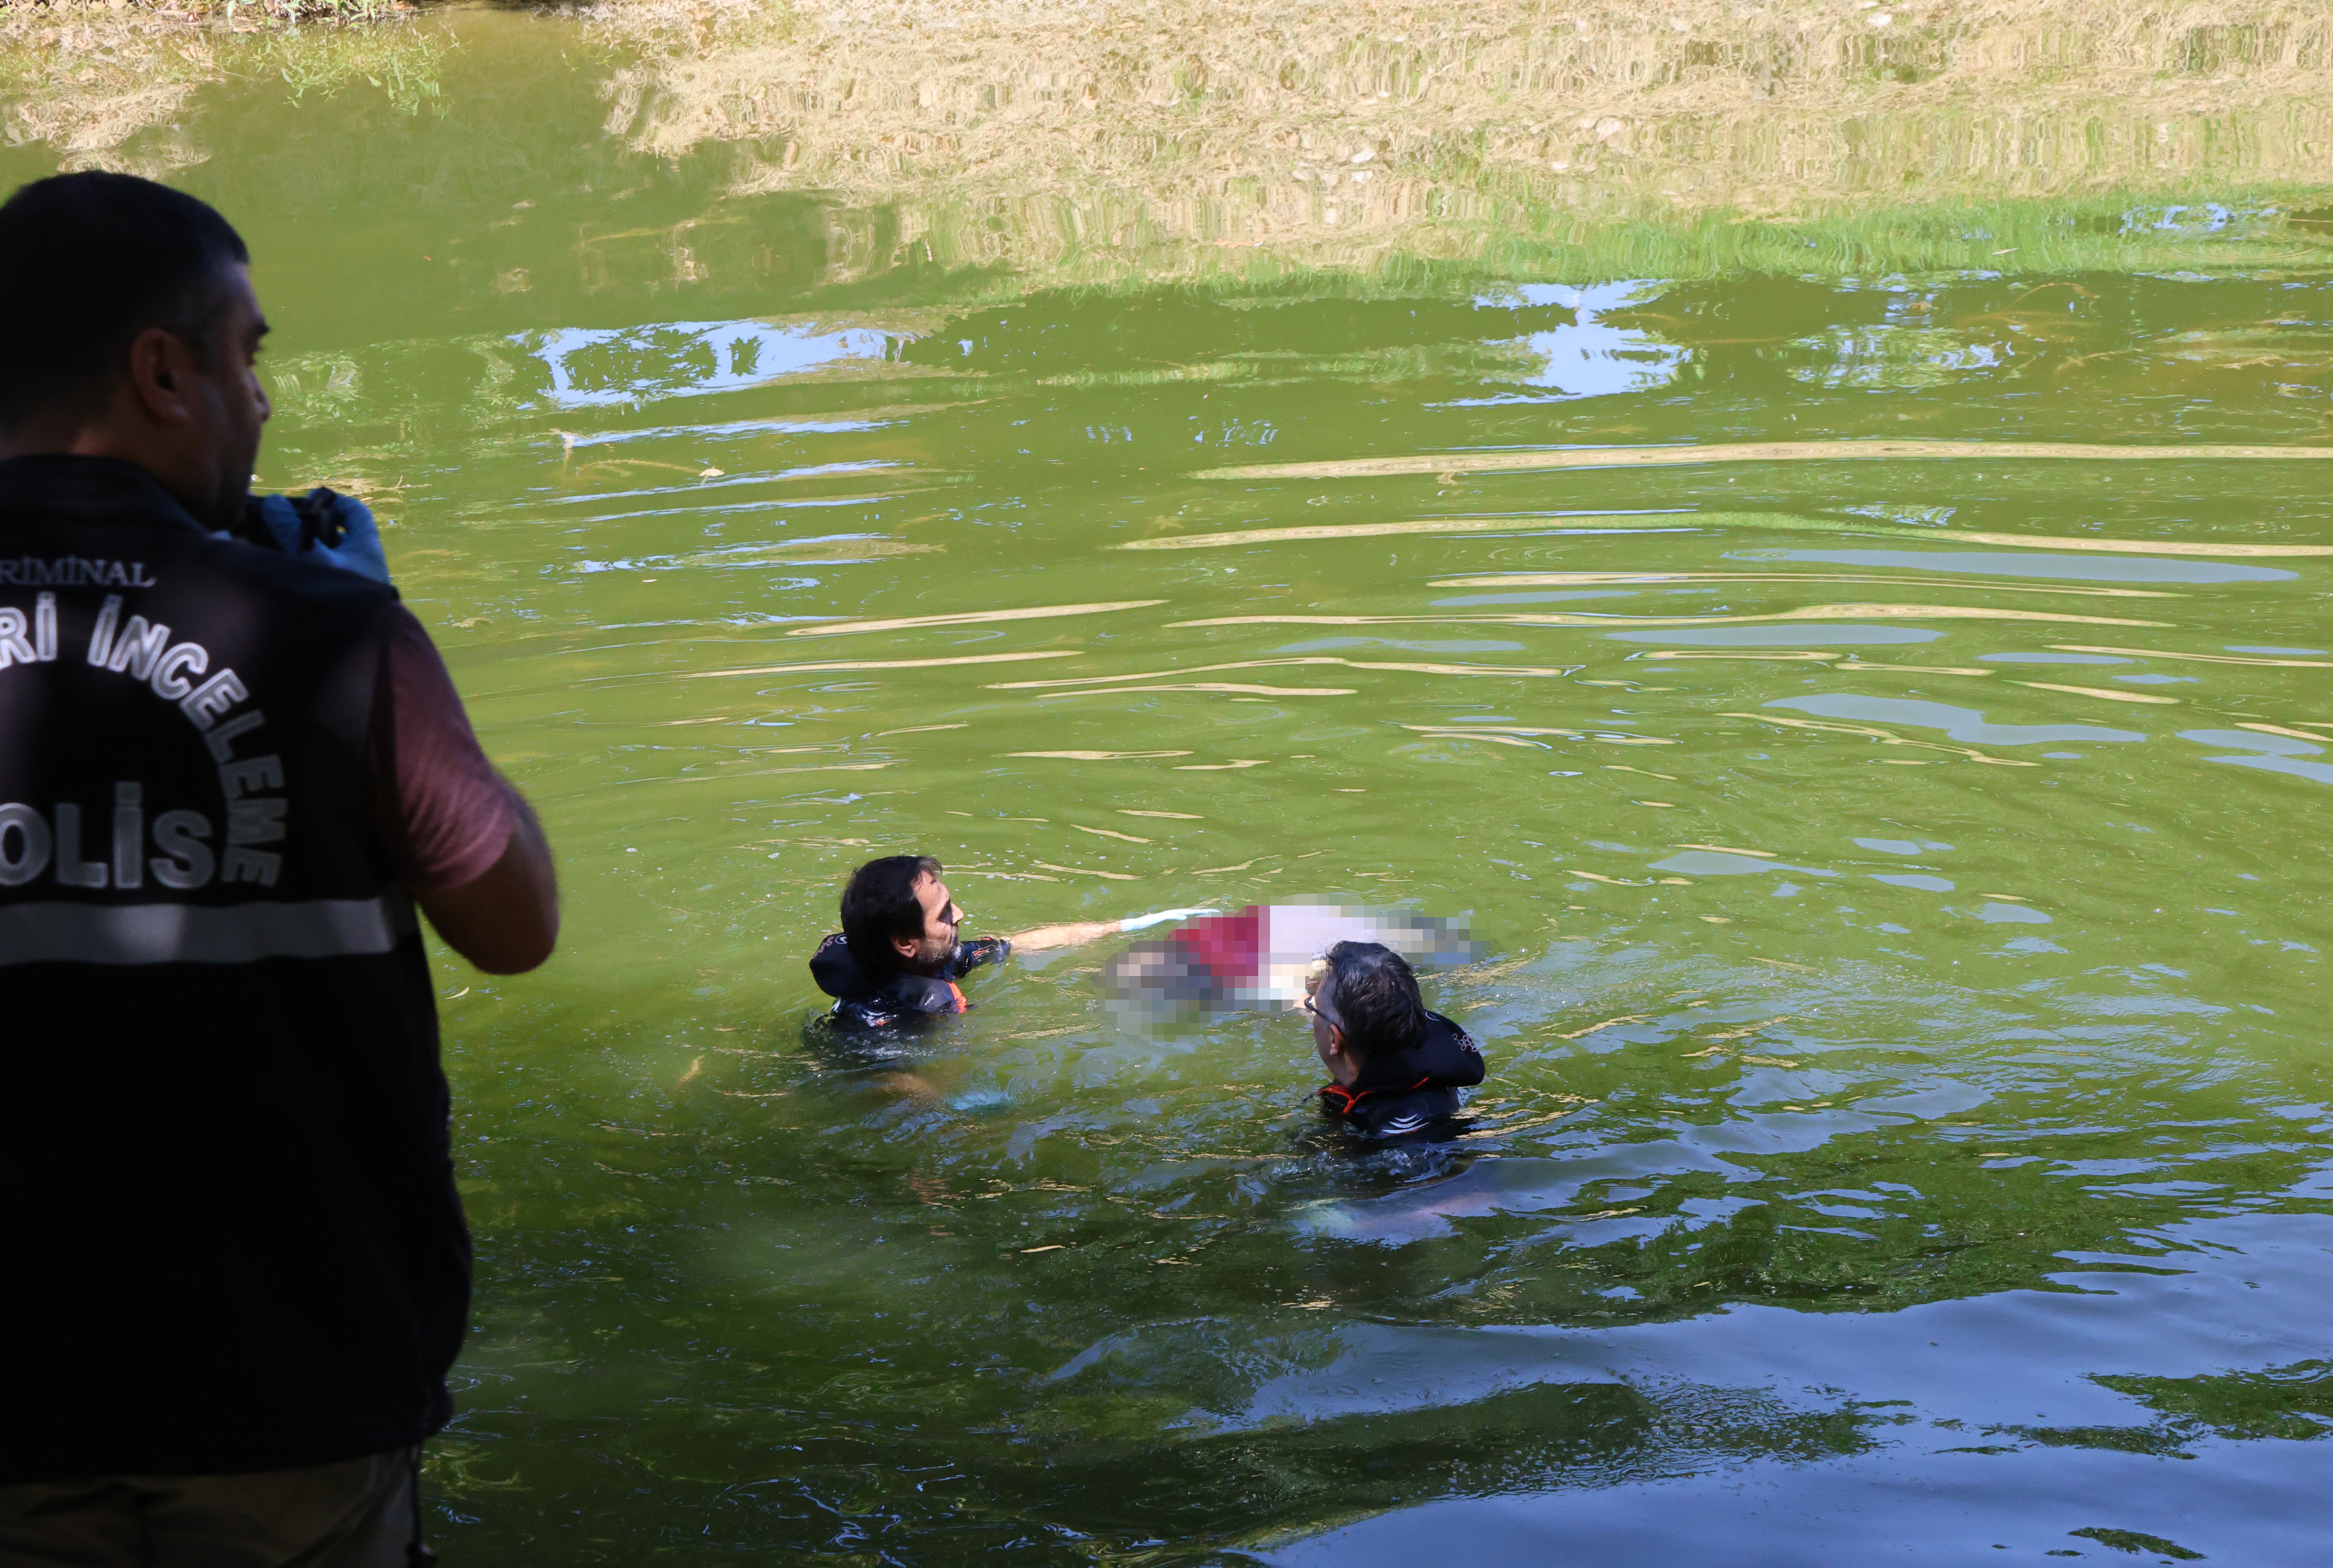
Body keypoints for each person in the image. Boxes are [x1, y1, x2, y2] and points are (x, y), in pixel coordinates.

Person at [0, 172, 559, 1565]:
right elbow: (516, 919)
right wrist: (376, 617)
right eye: (248, 358)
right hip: (291, 1400)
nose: (261, 405)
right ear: (161, 371)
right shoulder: (329, 632)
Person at [809, 852, 1205, 1029]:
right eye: (945, 914)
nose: (961, 914)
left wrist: (1124, 926)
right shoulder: (878, 1023)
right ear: (905, 943)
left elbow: (1017, 943)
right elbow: (900, 1085)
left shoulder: (932, 959)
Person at [1303, 940, 1484, 1139]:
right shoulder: (1415, 1053)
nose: (1310, 1011)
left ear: (1334, 1040)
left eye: (1313, 1006)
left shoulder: (1393, 1137)